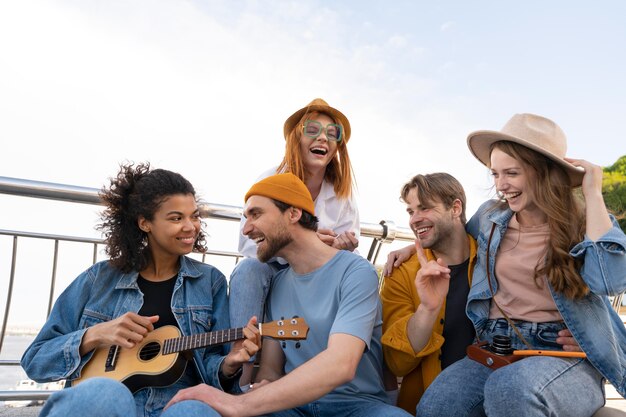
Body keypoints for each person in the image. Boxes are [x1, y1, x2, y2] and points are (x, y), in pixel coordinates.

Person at [415, 113, 626, 417]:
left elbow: (611, 281)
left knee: (512, 390)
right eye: (495, 174)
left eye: (511, 173)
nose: (501, 186)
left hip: (563, 355)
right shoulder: (490, 217)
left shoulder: (585, 224)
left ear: (542, 172)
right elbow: (454, 237)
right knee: (437, 406)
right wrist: (414, 245)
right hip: (493, 345)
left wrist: (593, 193)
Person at [21, 163, 260, 417]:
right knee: (104, 392)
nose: (191, 226)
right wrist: (96, 334)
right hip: (111, 401)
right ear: (145, 223)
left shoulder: (209, 281)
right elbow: (35, 360)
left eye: (194, 215)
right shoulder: (99, 279)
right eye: (176, 218)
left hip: (176, 402)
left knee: (193, 412)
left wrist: (228, 364)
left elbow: (213, 369)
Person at [163, 173, 411, 417]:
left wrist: (239, 404)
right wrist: (262, 385)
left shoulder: (356, 272)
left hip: (356, 406)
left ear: (293, 213)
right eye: (245, 218)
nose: (246, 229)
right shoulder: (279, 284)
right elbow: (270, 370)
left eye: (256, 214)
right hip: (292, 408)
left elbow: (341, 364)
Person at [229, 98, 360, 384]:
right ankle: (240, 375)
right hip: (276, 269)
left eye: (332, 132)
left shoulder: (342, 194)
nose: (323, 137)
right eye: (312, 129)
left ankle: (346, 364)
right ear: (296, 139)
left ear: (337, 146)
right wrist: (303, 242)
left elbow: (350, 239)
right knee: (248, 271)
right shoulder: (270, 179)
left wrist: (338, 248)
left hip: (317, 273)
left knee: (356, 268)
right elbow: (248, 245)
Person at [380, 173, 478, 414]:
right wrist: (427, 308)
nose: (415, 219)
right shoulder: (400, 272)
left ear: (455, 208)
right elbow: (397, 362)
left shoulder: (493, 257)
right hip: (431, 404)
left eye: (424, 208)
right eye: (411, 211)